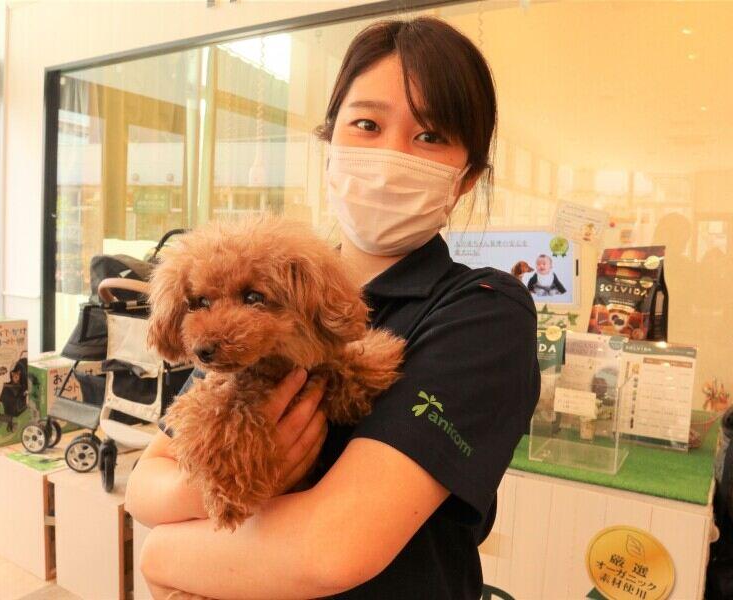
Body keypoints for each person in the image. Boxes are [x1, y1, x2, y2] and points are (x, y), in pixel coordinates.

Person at [126, 16, 539, 600]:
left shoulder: (484, 310)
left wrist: (167, 551)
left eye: (429, 136)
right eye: (366, 124)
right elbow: (146, 483)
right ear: (329, 142)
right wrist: (223, 485)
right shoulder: (266, 285)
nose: (392, 156)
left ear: (467, 175)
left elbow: (329, 550)